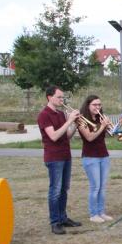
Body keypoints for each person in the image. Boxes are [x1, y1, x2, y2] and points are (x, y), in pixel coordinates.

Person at [37, 86, 82, 235]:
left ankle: (63, 218)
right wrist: (69, 121)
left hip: (65, 155)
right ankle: (55, 222)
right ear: (50, 97)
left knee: (64, 189)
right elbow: (54, 136)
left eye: (63, 97)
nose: (62, 100)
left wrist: (75, 124)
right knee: (55, 190)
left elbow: (65, 136)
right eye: (59, 97)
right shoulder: (44, 115)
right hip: (54, 157)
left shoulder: (61, 114)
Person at [78, 95, 113, 224]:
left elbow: (110, 134)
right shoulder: (81, 120)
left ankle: (101, 212)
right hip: (90, 157)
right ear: (88, 105)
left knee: (102, 187)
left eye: (99, 105)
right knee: (95, 187)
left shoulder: (100, 118)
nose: (98, 107)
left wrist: (110, 127)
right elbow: (89, 138)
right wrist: (102, 126)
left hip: (104, 155)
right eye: (95, 105)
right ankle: (93, 214)